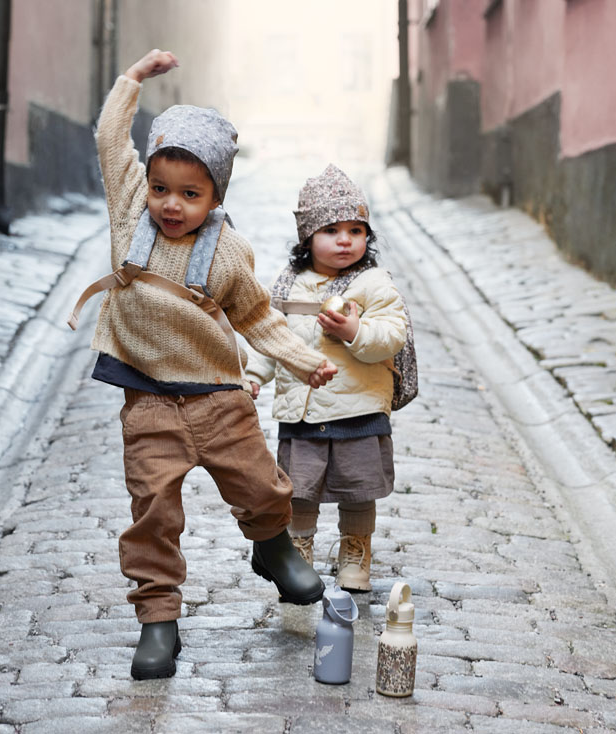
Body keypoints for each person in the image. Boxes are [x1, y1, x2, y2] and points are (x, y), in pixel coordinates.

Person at [87, 49, 338, 680]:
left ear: (217, 195)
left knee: (260, 486)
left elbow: (258, 318)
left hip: (219, 396)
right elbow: (111, 138)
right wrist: (132, 81)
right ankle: (158, 618)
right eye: (161, 188)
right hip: (147, 399)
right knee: (153, 509)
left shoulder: (228, 251)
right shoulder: (128, 210)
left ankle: (274, 548)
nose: (171, 205)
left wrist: (303, 362)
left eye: (190, 194)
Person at [247, 164, 408, 594]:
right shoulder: (288, 284)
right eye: (332, 230)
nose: (345, 240)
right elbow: (270, 337)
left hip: (359, 408)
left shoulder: (374, 284)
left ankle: (356, 550)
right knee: (298, 490)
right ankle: (299, 552)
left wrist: (353, 332)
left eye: (356, 230)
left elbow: (391, 336)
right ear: (307, 237)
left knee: (359, 487)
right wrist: (252, 374)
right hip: (302, 412)